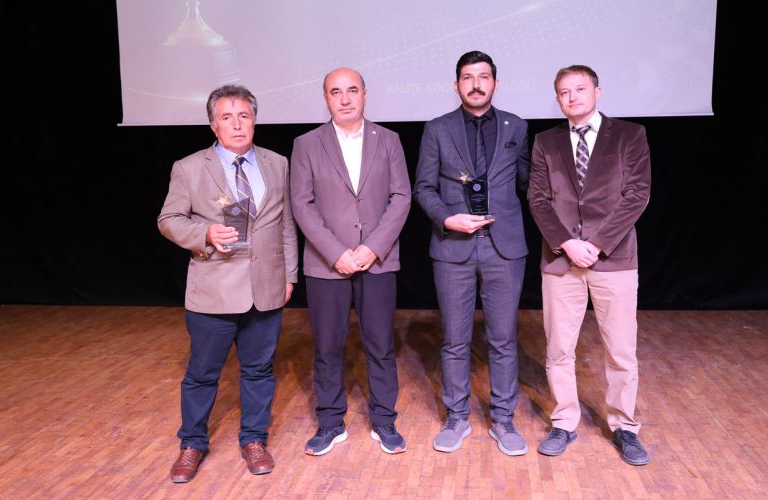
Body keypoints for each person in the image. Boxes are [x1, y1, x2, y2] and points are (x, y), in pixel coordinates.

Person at [158, 84, 298, 482]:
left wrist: (289, 274)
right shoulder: (189, 167)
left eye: (244, 116)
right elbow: (168, 220)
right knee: (202, 373)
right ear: (213, 125)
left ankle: (254, 440)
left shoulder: (277, 163)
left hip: (266, 287)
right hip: (213, 290)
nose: (237, 125)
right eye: (226, 117)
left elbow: (286, 224)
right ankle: (192, 444)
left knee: (259, 370)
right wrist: (204, 233)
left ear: (254, 121)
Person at [527, 65, 652, 466]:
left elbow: (637, 195)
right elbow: (538, 199)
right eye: (564, 92)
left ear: (598, 91)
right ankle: (564, 421)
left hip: (614, 259)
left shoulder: (630, 135)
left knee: (621, 349)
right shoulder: (545, 141)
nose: (572, 97)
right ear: (557, 99)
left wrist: (596, 244)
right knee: (559, 348)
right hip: (561, 260)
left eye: (580, 89)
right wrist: (567, 243)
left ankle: (624, 426)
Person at [413, 51, 531, 456]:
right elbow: (423, 187)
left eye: (483, 77)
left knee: (503, 340)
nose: (476, 84)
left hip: (505, 248)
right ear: (456, 85)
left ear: (495, 83)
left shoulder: (517, 126)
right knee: (454, 340)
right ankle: (457, 416)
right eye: (467, 77)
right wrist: (448, 219)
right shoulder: (437, 129)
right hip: (453, 248)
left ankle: (504, 420)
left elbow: (530, 184)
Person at [290, 67, 412, 456]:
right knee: (327, 346)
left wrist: (372, 248)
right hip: (327, 264)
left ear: (365, 94)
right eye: (335, 92)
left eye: (352, 90)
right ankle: (330, 422)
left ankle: (384, 420)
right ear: (325, 98)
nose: (345, 99)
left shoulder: (389, 140)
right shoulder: (306, 144)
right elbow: (302, 204)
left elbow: (401, 197)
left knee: (381, 344)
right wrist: (336, 252)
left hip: (377, 261)